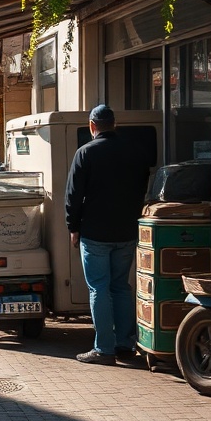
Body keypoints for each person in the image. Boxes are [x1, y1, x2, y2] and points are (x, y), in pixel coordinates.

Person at [65, 104, 151, 365]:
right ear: (115, 124)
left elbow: (73, 195)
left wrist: (73, 227)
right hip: (127, 230)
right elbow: (142, 187)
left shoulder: (85, 153)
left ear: (92, 126)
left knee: (99, 289)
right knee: (121, 287)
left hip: (95, 233)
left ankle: (104, 349)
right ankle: (125, 343)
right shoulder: (135, 152)